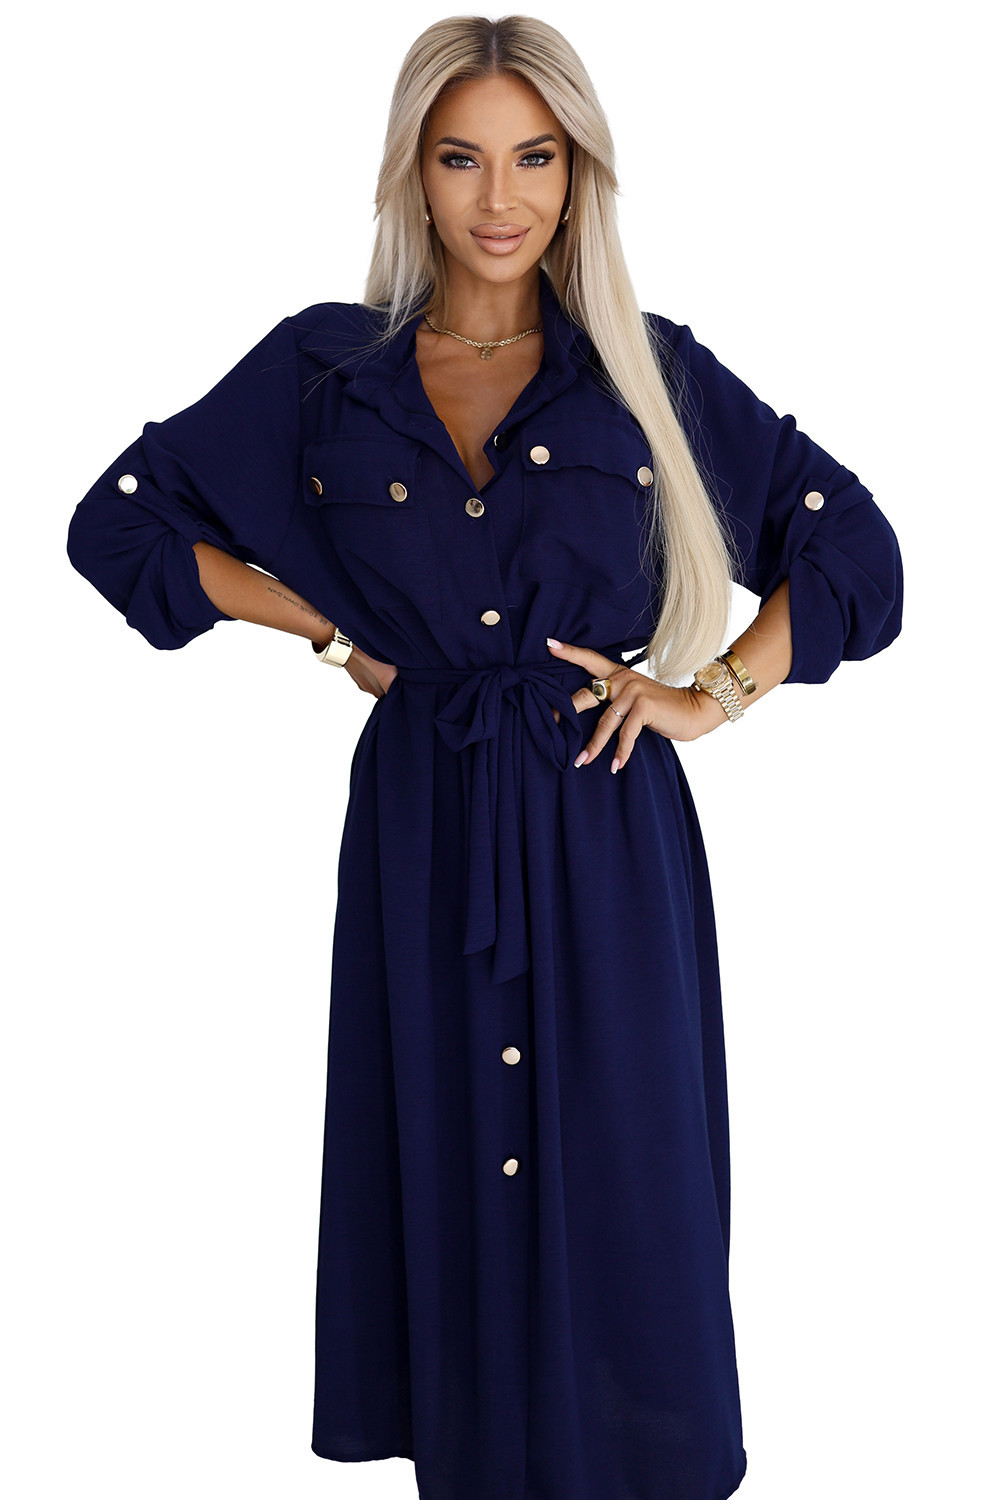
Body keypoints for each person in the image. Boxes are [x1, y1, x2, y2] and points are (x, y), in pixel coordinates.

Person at [65, 14, 903, 1500]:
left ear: (580, 176)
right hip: (424, 821)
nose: (499, 198)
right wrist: (330, 632)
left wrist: (712, 693)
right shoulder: (326, 368)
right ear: (414, 172)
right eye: (462, 159)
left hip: (602, 825)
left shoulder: (646, 373)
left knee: (623, 1181)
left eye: (535, 158)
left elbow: (854, 554)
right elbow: (121, 523)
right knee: (447, 1164)